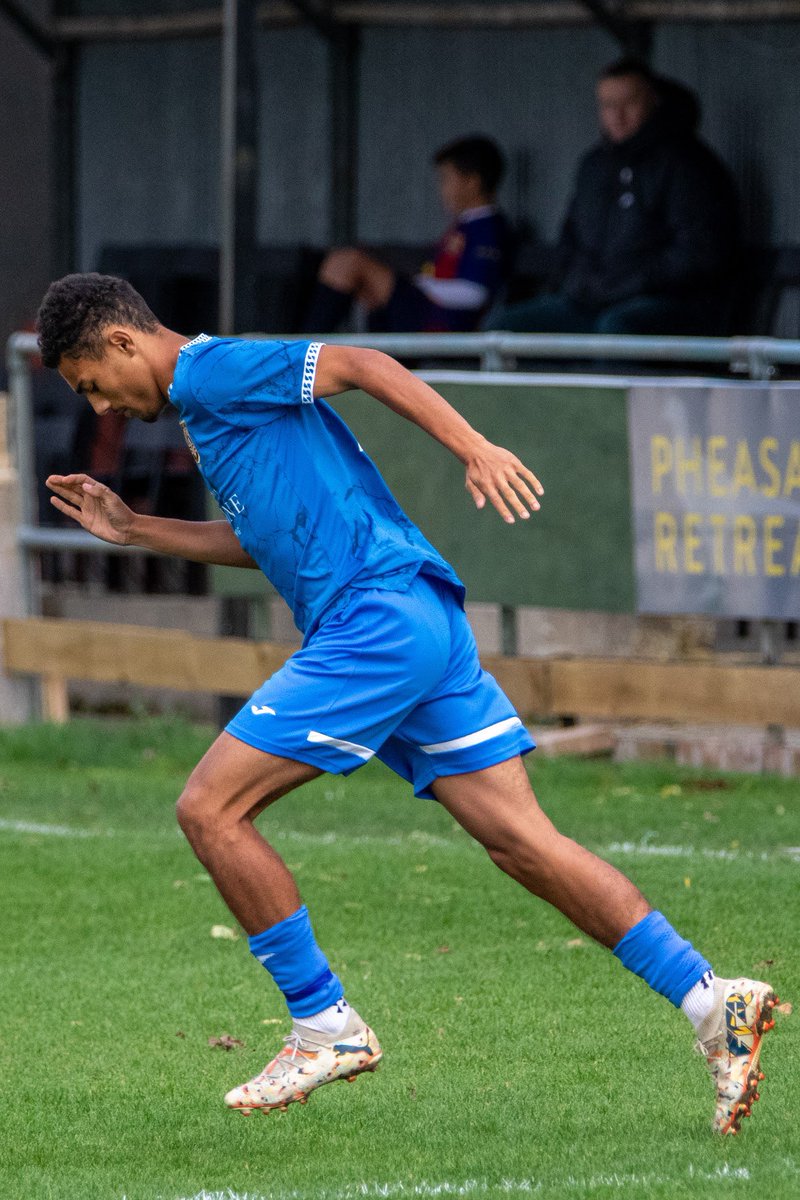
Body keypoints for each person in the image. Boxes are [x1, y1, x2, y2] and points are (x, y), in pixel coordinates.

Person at [38, 272, 778, 1135]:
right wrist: (138, 529)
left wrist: (473, 446)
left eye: (92, 384)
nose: (102, 407)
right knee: (524, 844)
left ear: (124, 342)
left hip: (374, 621)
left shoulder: (206, 373)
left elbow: (361, 361)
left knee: (210, 809)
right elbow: (263, 536)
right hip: (417, 616)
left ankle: (324, 1023)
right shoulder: (214, 412)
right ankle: (709, 1001)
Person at [489, 60, 738, 336]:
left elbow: (698, 253)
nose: (617, 115)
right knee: (505, 326)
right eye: (607, 105)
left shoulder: (688, 164)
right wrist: (581, 283)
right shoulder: (594, 165)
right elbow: (570, 240)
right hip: (591, 302)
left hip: (668, 303)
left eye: (629, 103)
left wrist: (628, 284)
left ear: (654, 101)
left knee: (617, 327)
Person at [304, 135, 511, 334]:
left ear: (472, 182)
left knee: (349, 262)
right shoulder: (465, 225)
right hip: (429, 314)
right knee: (357, 273)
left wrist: (419, 284)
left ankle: (302, 351)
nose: (442, 189)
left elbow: (474, 294)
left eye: (446, 179)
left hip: (444, 322)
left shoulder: (488, 227)